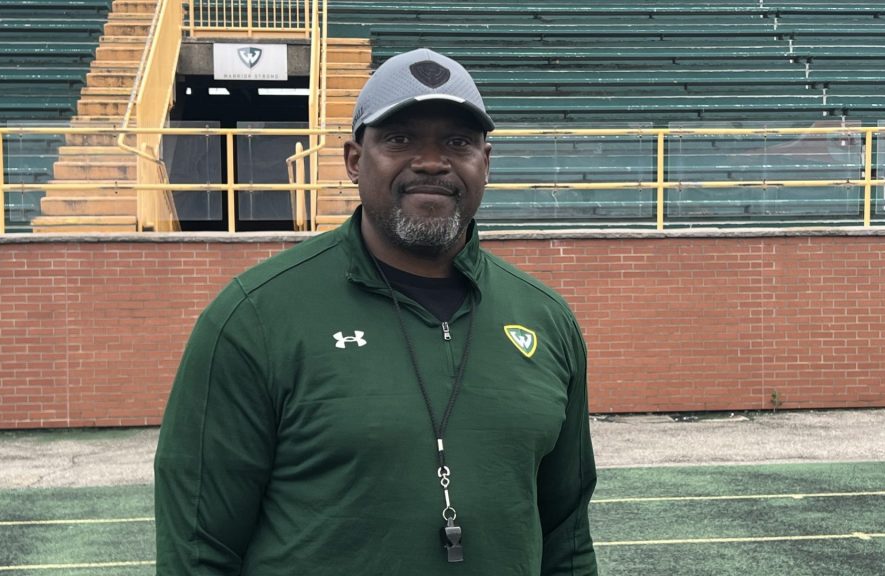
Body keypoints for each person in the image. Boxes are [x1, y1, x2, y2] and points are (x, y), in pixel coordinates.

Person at [154, 48, 598, 575]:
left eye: (458, 142)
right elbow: (198, 547)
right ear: (353, 159)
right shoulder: (256, 316)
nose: (432, 162)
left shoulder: (546, 320)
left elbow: (566, 539)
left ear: (486, 162)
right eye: (399, 138)